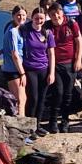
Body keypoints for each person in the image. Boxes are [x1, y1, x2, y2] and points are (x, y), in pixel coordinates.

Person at [44, 3, 82, 134]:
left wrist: (78, 59)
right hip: (55, 65)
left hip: (70, 64)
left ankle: (65, 120)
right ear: (49, 16)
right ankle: (53, 120)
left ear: (62, 12)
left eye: (58, 13)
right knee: (58, 93)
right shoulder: (47, 27)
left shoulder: (71, 23)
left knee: (68, 93)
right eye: (52, 14)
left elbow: (79, 42)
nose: (56, 16)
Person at [21, 8, 55, 136]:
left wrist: (51, 73)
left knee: (41, 99)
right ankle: (30, 127)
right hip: (30, 69)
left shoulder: (47, 33)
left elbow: (51, 53)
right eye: (36, 18)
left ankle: (38, 125)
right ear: (32, 17)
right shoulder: (25, 30)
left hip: (44, 69)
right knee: (33, 98)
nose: (39, 21)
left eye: (41, 18)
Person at [0, 5, 27, 117]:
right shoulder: (13, 31)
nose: (21, 17)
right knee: (20, 100)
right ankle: (22, 125)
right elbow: (15, 55)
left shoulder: (11, 26)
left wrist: (1, 51)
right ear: (13, 16)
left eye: (23, 15)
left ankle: (21, 123)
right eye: (18, 15)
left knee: (20, 99)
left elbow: (9, 46)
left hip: (11, 68)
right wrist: (22, 73)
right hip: (14, 70)